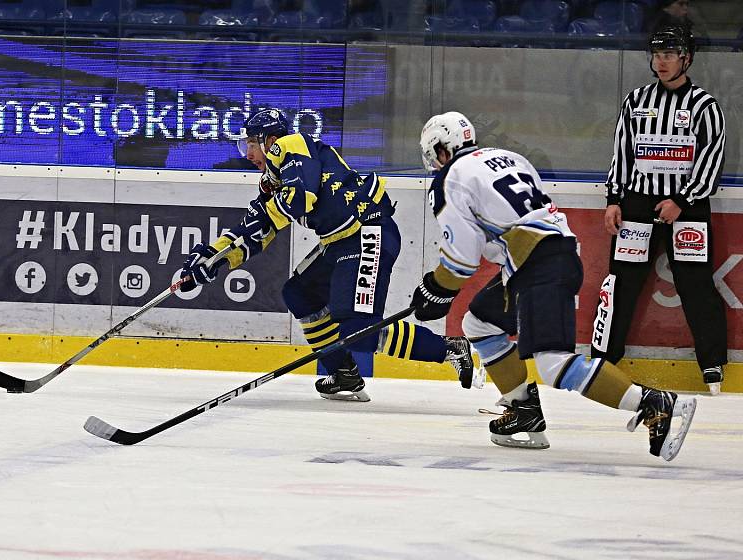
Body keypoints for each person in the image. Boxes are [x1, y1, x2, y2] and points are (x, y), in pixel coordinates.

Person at [411, 110, 696, 462]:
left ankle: (655, 404)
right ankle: (523, 410)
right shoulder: (509, 158)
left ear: (441, 149)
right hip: (552, 255)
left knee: (553, 363)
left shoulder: (450, 179)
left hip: (539, 266)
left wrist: (435, 289)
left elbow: (462, 258)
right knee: (479, 323)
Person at [179, 108, 474, 401]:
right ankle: (343, 373)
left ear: (269, 141)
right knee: (299, 294)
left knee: (360, 329)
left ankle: (448, 349)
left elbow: (299, 199)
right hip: (340, 241)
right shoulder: (273, 179)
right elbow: (256, 232)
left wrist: (264, 215)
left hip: (367, 232)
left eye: (250, 144)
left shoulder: (291, 144)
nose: (247, 154)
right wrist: (212, 259)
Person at [590, 24, 727, 395]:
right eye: (657, 54)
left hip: (689, 207)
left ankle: (712, 363)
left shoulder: (704, 106)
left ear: (687, 58)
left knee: (696, 285)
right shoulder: (636, 101)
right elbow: (622, 153)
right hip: (636, 205)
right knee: (620, 283)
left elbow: (711, 161)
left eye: (669, 54)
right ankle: (602, 359)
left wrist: (682, 201)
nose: (661, 61)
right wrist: (614, 200)